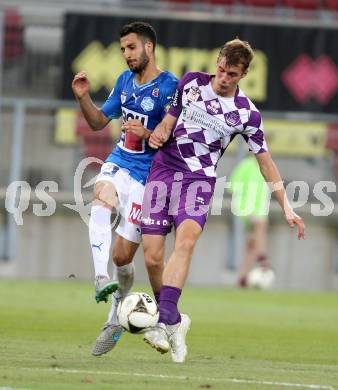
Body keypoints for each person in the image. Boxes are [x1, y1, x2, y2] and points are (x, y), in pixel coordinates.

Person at [140, 38, 305, 363]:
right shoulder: (190, 83)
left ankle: (163, 320)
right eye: (220, 69)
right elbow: (169, 121)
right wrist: (158, 133)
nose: (223, 77)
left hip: (199, 181)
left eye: (231, 73)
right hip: (164, 171)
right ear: (216, 62)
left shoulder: (247, 114)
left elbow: (265, 162)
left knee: (185, 242)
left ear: (242, 74)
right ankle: (175, 321)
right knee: (152, 259)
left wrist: (286, 205)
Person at [71, 21, 178, 356]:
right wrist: (83, 97)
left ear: (149, 47)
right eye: (123, 50)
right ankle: (101, 278)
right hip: (120, 162)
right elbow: (99, 122)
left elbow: (175, 140)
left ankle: (116, 316)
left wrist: (148, 135)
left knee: (123, 256)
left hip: (150, 178)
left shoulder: (170, 87)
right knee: (101, 196)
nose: (127, 55)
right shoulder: (123, 82)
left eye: (131, 48)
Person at [228, 155, 272, 287]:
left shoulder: (267, 165)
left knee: (251, 243)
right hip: (247, 206)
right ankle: (261, 256)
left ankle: (243, 278)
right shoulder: (247, 164)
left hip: (260, 207)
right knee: (261, 225)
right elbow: (233, 184)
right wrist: (242, 196)